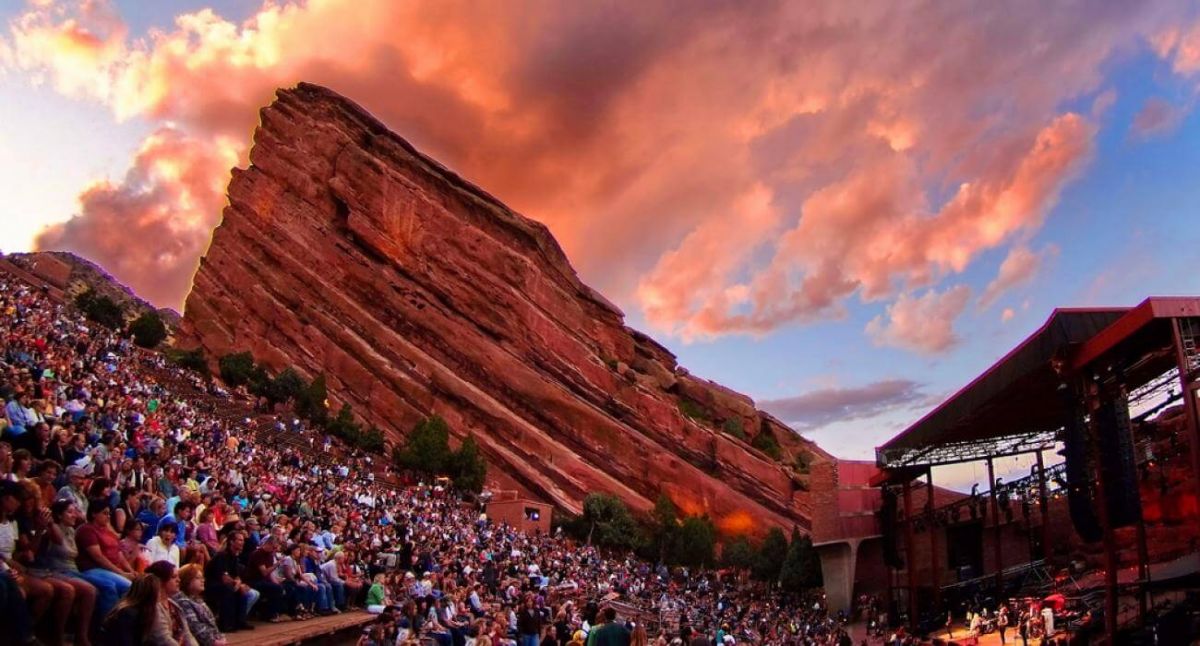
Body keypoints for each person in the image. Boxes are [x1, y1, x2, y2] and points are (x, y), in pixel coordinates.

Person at [77, 498, 135, 619]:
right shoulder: (86, 530)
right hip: (92, 569)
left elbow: (119, 554)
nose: (108, 516)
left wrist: (130, 571)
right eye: (104, 513)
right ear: (93, 513)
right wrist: (122, 573)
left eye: (109, 514)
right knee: (123, 586)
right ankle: (109, 623)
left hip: (110, 570)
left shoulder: (108, 532)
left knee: (136, 584)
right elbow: (98, 558)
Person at [146, 560, 200, 646]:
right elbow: (163, 640)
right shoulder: (153, 607)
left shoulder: (174, 606)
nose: (178, 580)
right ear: (161, 580)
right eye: (174, 577)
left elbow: (187, 635)